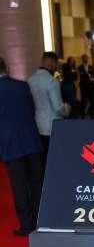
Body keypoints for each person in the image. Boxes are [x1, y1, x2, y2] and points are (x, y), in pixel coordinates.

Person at [0, 57, 44, 235]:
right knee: (36, 183)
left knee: (18, 186)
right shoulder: (23, 85)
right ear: (7, 68)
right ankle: (42, 219)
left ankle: (27, 225)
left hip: (10, 144)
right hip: (31, 140)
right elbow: (32, 110)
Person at [28, 51, 70, 168]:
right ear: (53, 64)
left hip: (37, 126)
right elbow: (58, 107)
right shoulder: (52, 81)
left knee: (42, 162)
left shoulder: (30, 80)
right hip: (52, 127)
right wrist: (66, 109)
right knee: (55, 161)